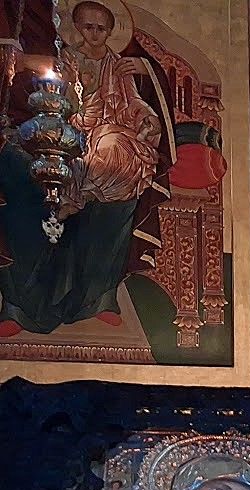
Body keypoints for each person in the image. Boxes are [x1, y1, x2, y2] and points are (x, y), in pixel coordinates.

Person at [0, 0, 174, 338]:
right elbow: (53, 96)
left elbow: (133, 100)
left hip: (105, 131)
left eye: (100, 29)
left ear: (110, 31)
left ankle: (96, 298)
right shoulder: (65, 58)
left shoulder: (116, 64)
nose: (93, 34)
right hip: (66, 129)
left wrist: (146, 117)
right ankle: (21, 306)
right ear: (76, 28)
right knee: (26, 166)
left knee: (118, 157)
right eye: (87, 27)